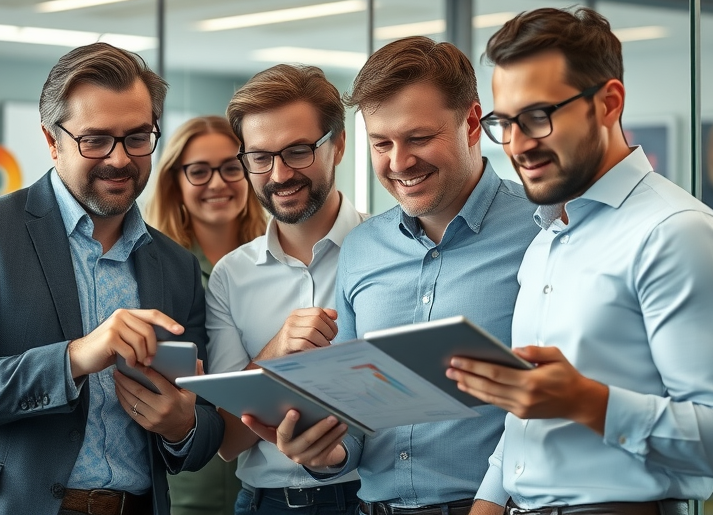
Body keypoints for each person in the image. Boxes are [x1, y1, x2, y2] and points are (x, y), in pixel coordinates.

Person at [447, 7, 713, 515]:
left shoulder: (678, 234)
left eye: (539, 117)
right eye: (505, 123)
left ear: (608, 103)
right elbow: (527, 422)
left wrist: (585, 401)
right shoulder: (547, 239)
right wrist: (489, 501)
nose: (518, 145)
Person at [0, 42, 223, 515]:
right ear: (52, 140)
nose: (120, 159)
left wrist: (183, 426)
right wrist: (73, 358)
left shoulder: (176, 265)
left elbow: (206, 428)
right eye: (95, 140)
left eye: (137, 138)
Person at [245, 37, 540, 515]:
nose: (399, 163)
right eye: (382, 143)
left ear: (471, 123)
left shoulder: (541, 229)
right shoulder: (363, 248)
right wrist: (326, 452)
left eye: (418, 138)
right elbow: (355, 412)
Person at [206, 64, 365, 515]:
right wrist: (275, 353)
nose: (278, 175)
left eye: (297, 151)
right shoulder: (231, 276)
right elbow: (227, 440)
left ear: (338, 144)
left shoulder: (391, 253)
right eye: (260, 157)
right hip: (264, 504)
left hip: (367, 500)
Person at [145, 115, 268, 515]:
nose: (218, 183)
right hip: (187, 489)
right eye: (199, 171)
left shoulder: (278, 262)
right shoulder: (154, 272)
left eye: (232, 168)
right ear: (175, 183)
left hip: (272, 481)